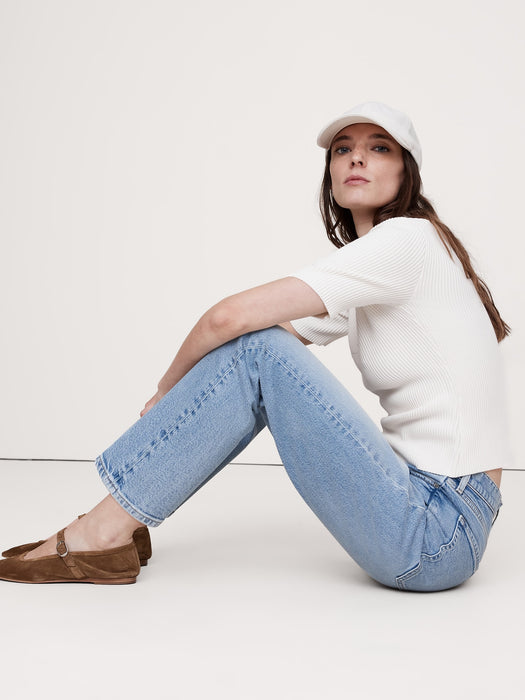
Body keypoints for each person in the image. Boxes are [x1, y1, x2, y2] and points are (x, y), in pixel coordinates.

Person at [0, 102, 512, 591]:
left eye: (379, 148)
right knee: (257, 347)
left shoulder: (407, 242)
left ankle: (101, 533)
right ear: (331, 174)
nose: (356, 157)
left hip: (436, 530)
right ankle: (118, 523)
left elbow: (230, 318)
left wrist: (166, 391)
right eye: (342, 149)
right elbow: (245, 344)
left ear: (407, 173)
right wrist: (195, 397)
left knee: (259, 348)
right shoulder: (380, 271)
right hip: (434, 512)